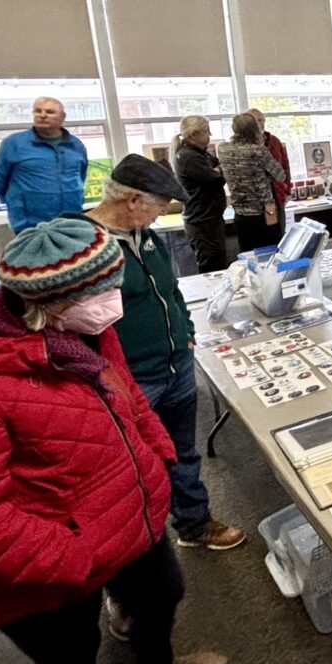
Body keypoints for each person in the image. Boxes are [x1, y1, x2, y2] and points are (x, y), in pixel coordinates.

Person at [0, 218, 228, 664]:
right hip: (47, 560)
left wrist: (157, 455)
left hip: (124, 515)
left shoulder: (86, 330)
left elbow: (125, 395)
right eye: (104, 291)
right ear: (48, 302)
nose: (116, 301)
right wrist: (75, 558)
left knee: (164, 592)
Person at [73, 154, 247, 554]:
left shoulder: (146, 236)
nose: (161, 214)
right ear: (133, 200)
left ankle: (194, 523)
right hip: (130, 379)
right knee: (127, 468)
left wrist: (186, 332)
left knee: (182, 453)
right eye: (158, 206)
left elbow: (170, 290)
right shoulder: (84, 245)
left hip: (176, 365)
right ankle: (134, 554)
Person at [0, 97, 89, 233]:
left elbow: (81, 176)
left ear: (63, 117)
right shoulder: (13, 143)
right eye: (37, 111)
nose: (42, 115)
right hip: (30, 226)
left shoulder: (76, 145)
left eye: (49, 112)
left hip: (71, 221)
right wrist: (17, 204)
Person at [219, 113, 287, 251]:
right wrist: (266, 177)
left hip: (240, 212)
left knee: (247, 253)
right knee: (270, 253)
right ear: (255, 129)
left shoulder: (223, 149)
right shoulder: (258, 151)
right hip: (264, 212)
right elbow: (280, 175)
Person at [172, 115, 228, 273]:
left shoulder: (202, 153)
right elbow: (215, 179)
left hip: (212, 218)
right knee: (211, 266)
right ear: (193, 135)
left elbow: (221, 166)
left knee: (219, 261)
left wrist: (217, 170)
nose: (210, 135)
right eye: (206, 131)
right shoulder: (188, 156)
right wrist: (217, 171)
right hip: (201, 221)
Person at [247, 108, 292, 231]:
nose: (260, 124)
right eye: (257, 120)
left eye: (262, 120)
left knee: (279, 234)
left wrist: (287, 191)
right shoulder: (243, 146)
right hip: (255, 203)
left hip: (277, 198)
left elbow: (285, 167)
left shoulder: (274, 141)